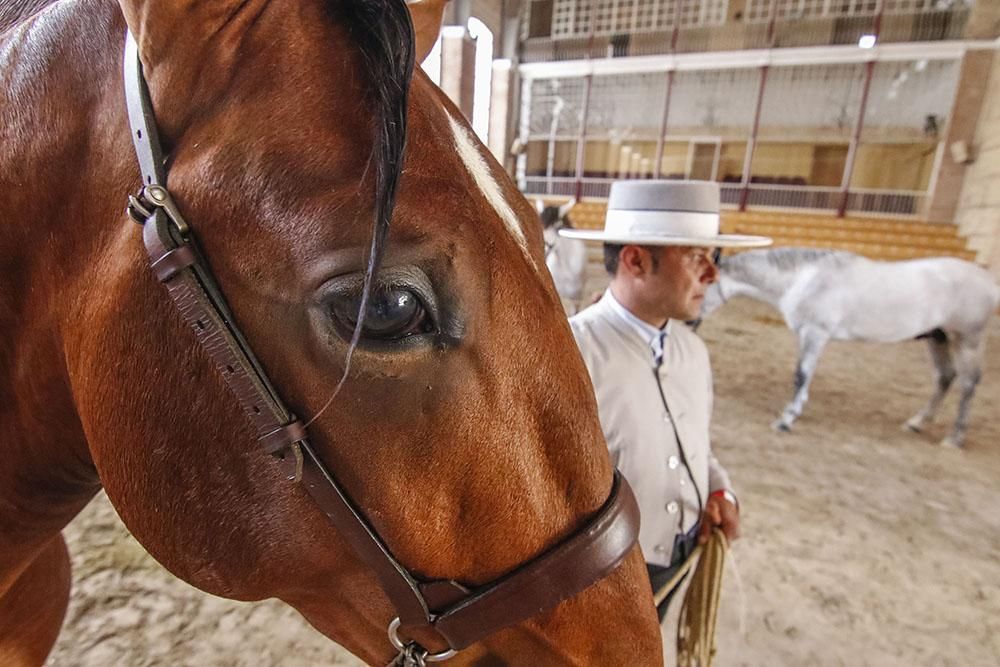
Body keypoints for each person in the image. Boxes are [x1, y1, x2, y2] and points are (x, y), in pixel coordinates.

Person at [559, 180, 771, 622]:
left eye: (711, 259)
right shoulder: (570, 355)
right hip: (597, 577)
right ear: (636, 260)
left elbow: (694, 443)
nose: (712, 274)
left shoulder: (692, 352)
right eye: (696, 257)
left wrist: (718, 487)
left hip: (676, 556)